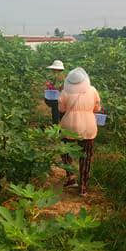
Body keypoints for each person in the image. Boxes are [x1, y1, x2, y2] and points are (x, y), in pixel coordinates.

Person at [58, 67, 101, 196]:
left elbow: (61, 109)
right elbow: (97, 108)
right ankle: (83, 188)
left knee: (64, 151)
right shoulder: (92, 90)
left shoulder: (65, 92)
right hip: (88, 127)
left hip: (69, 126)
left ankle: (71, 178)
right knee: (86, 157)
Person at [44, 60, 65, 124]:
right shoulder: (61, 76)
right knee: (60, 113)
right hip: (61, 98)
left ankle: (57, 129)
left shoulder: (59, 76)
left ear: (56, 69)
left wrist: (49, 85)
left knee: (56, 114)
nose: (52, 70)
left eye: (53, 69)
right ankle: (60, 129)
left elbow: (57, 88)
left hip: (57, 98)